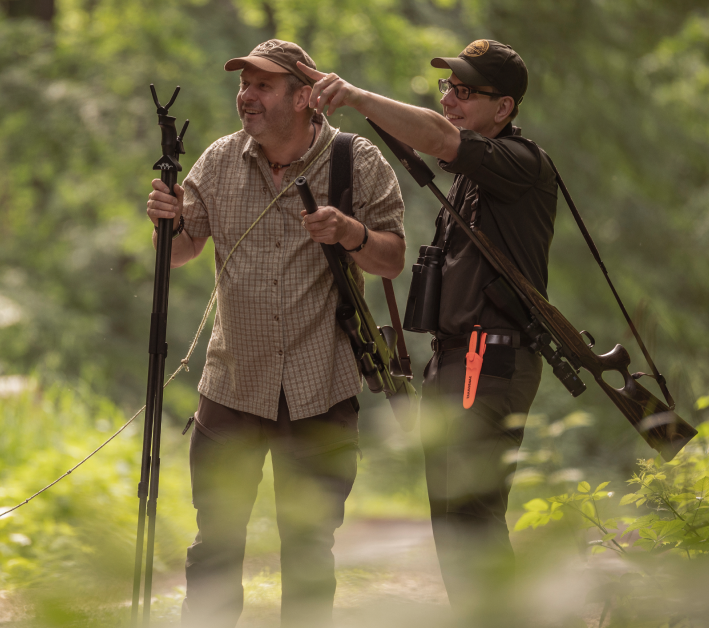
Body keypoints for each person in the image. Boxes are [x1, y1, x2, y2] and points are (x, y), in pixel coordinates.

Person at [145, 39, 405, 627]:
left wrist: (349, 233)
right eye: (244, 84)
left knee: (309, 551)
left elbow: (391, 260)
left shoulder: (356, 163)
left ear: (305, 96)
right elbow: (182, 251)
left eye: (262, 85)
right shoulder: (216, 161)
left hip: (323, 387)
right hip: (233, 385)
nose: (246, 97)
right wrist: (166, 220)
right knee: (215, 545)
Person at [299, 40, 557, 612]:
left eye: (466, 92)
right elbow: (445, 145)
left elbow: (441, 140)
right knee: (452, 520)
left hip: (489, 360)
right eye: (448, 87)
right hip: (457, 362)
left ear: (504, 107)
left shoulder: (520, 165)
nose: (451, 100)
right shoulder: (470, 178)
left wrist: (355, 96)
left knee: (472, 518)